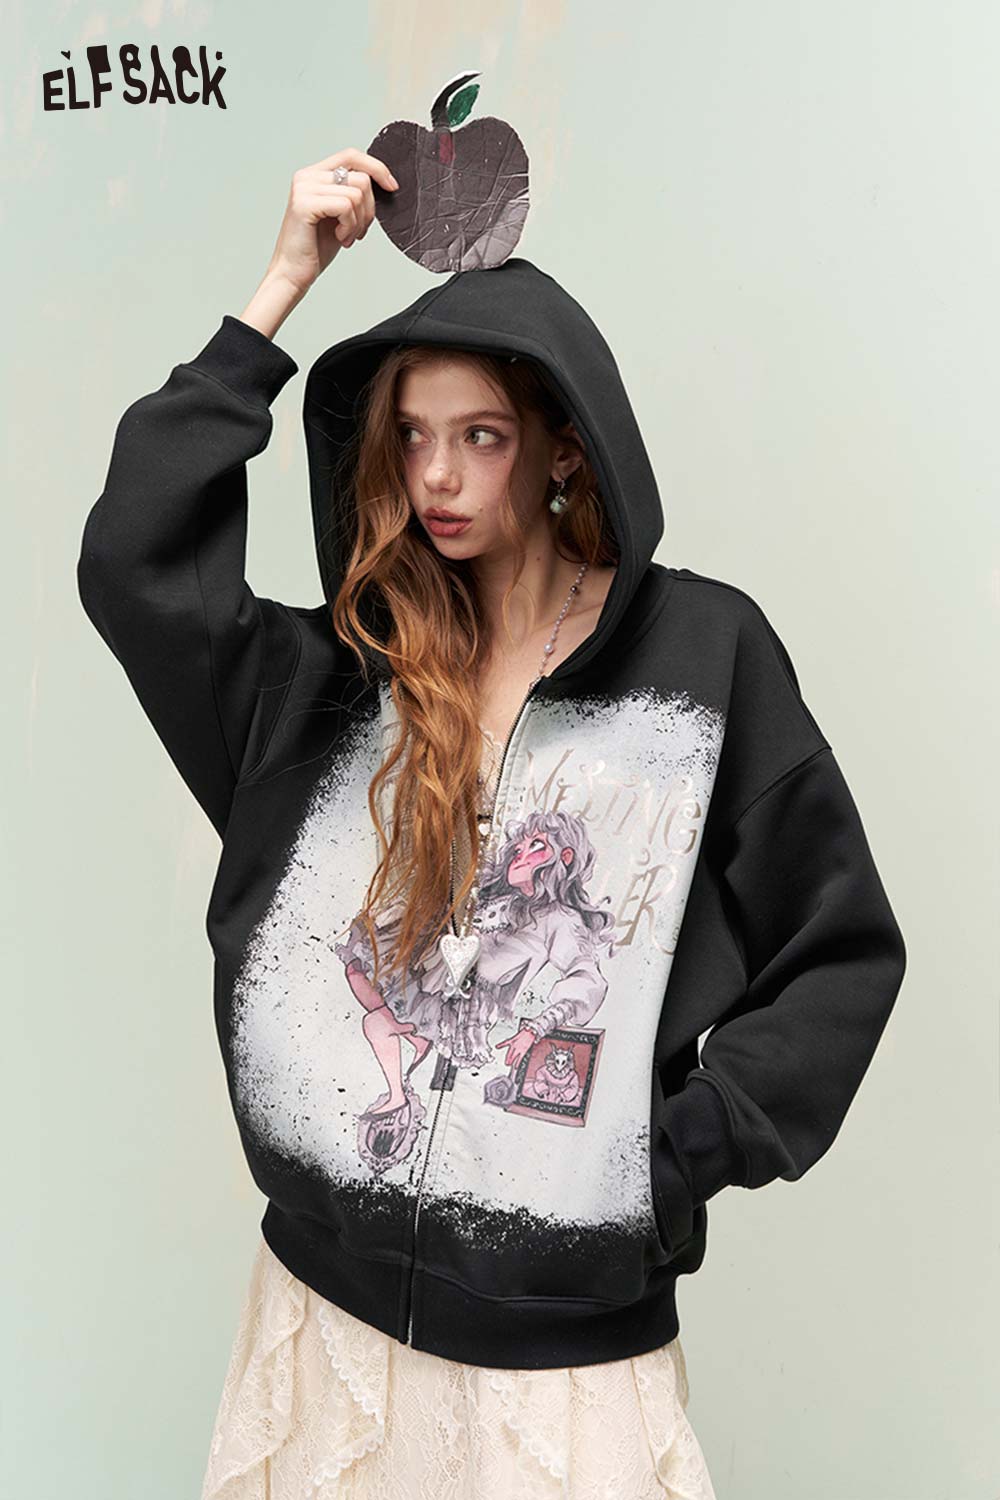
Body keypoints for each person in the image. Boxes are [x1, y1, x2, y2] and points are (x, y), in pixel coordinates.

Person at [76, 147, 907, 1498]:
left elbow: (843, 952)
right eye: (412, 435)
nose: (438, 477)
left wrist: (662, 1158)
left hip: (561, 1372)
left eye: (481, 436)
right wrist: (280, 285)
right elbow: (134, 559)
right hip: (323, 1333)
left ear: (563, 445)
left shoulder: (700, 666)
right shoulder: (334, 684)